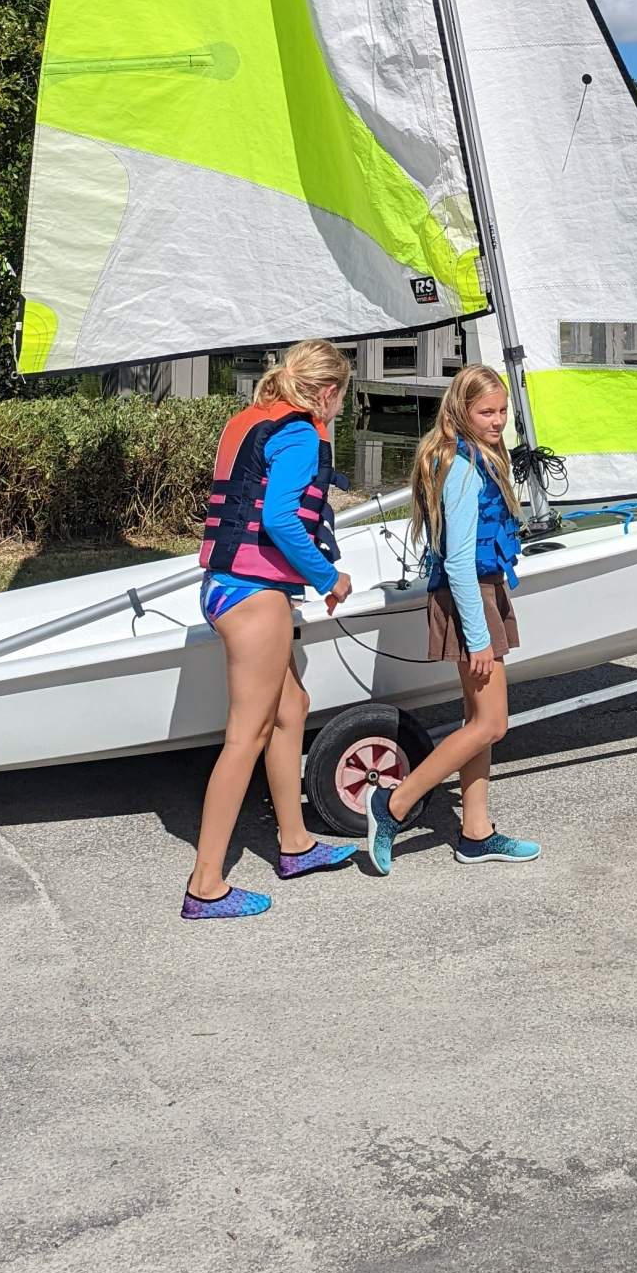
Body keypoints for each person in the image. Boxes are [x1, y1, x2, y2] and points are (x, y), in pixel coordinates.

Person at [183, 340, 358, 920]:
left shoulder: (247, 420)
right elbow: (281, 518)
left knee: (291, 706)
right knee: (246, 734)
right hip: (254, 596)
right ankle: (205, 884)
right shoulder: (302, 433)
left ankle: (295, 843)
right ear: (328, 393)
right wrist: (327, 576)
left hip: (226, 585)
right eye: (342, 399)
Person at [363, 365, 540, 873]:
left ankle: (475, 831)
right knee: (492, 723)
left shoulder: (476, 456)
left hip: (485, 593)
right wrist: (479, 638)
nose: (498, 421)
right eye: (486, 412)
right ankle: (393, 804)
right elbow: (460, 563)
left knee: (476, 722)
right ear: (460, 411)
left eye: (503, 411)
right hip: (471, 601)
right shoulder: (460, 467)